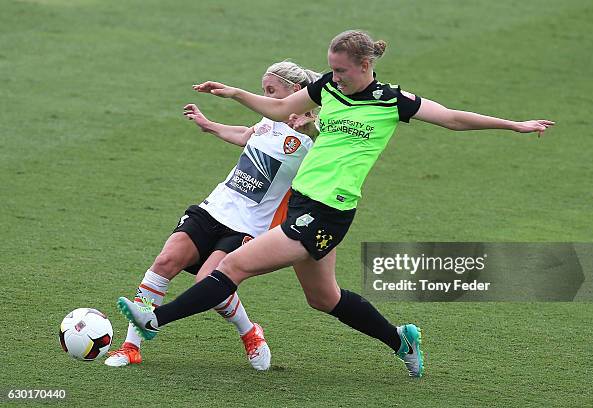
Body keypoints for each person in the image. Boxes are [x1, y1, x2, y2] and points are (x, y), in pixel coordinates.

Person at [117, 30, 555, 377]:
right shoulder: (328, 89)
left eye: (342, 69)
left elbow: (454, 119)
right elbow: (279, 107)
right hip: (304, 204)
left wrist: (513, 124)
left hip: (329, 213)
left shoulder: (393, 101)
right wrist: (233, 93)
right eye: (331, 69)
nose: (334, 76)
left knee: (233, 267)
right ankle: (402, 340)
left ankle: (154, 321)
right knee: (324, 298)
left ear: (366, 65)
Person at [105, 61, 320, 370]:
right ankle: (130, 347)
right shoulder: (270, 119)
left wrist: (311, 127)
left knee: (209, 281)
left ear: (296, 92)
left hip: (249, 225)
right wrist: (209, 125)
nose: (266, 97)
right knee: (166, 261)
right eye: (264, 91)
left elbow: (324, 150)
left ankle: (250, 332)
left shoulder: (315, 135)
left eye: (271, 91)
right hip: (215, 207)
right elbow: (246, 135)